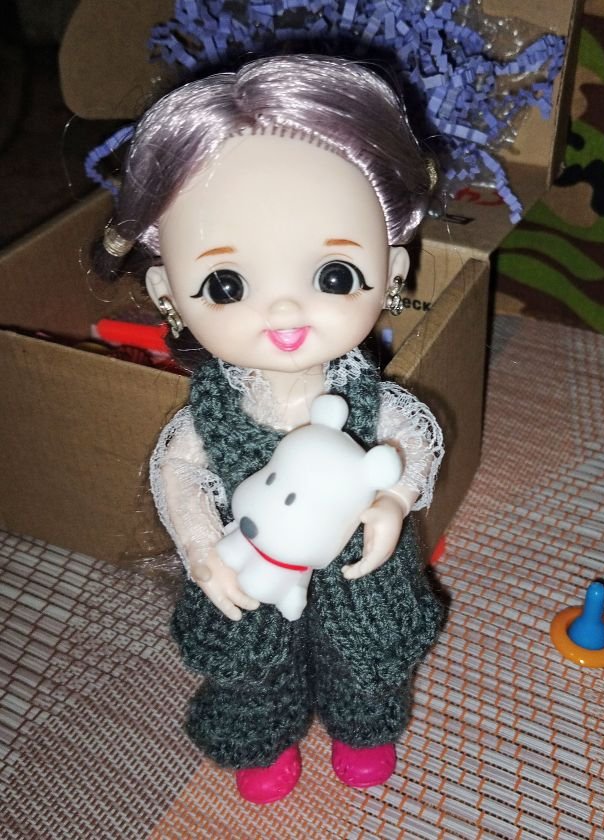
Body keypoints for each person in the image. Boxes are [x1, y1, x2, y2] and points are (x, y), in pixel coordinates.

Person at [96, 55, 445, 804]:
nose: (284, 311)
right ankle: (263, 734)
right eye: (226, 285)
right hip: (248, 557)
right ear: (166, 292)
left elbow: (411, 436)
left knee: (369, 655)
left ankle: (363, 725)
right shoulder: (214, 413)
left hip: (357, 563)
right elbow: (180, 471)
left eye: (333, 276)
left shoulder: (366, 398)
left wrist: (394, 500)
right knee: (250, 662)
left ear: (392, 274)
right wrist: (200, 547)